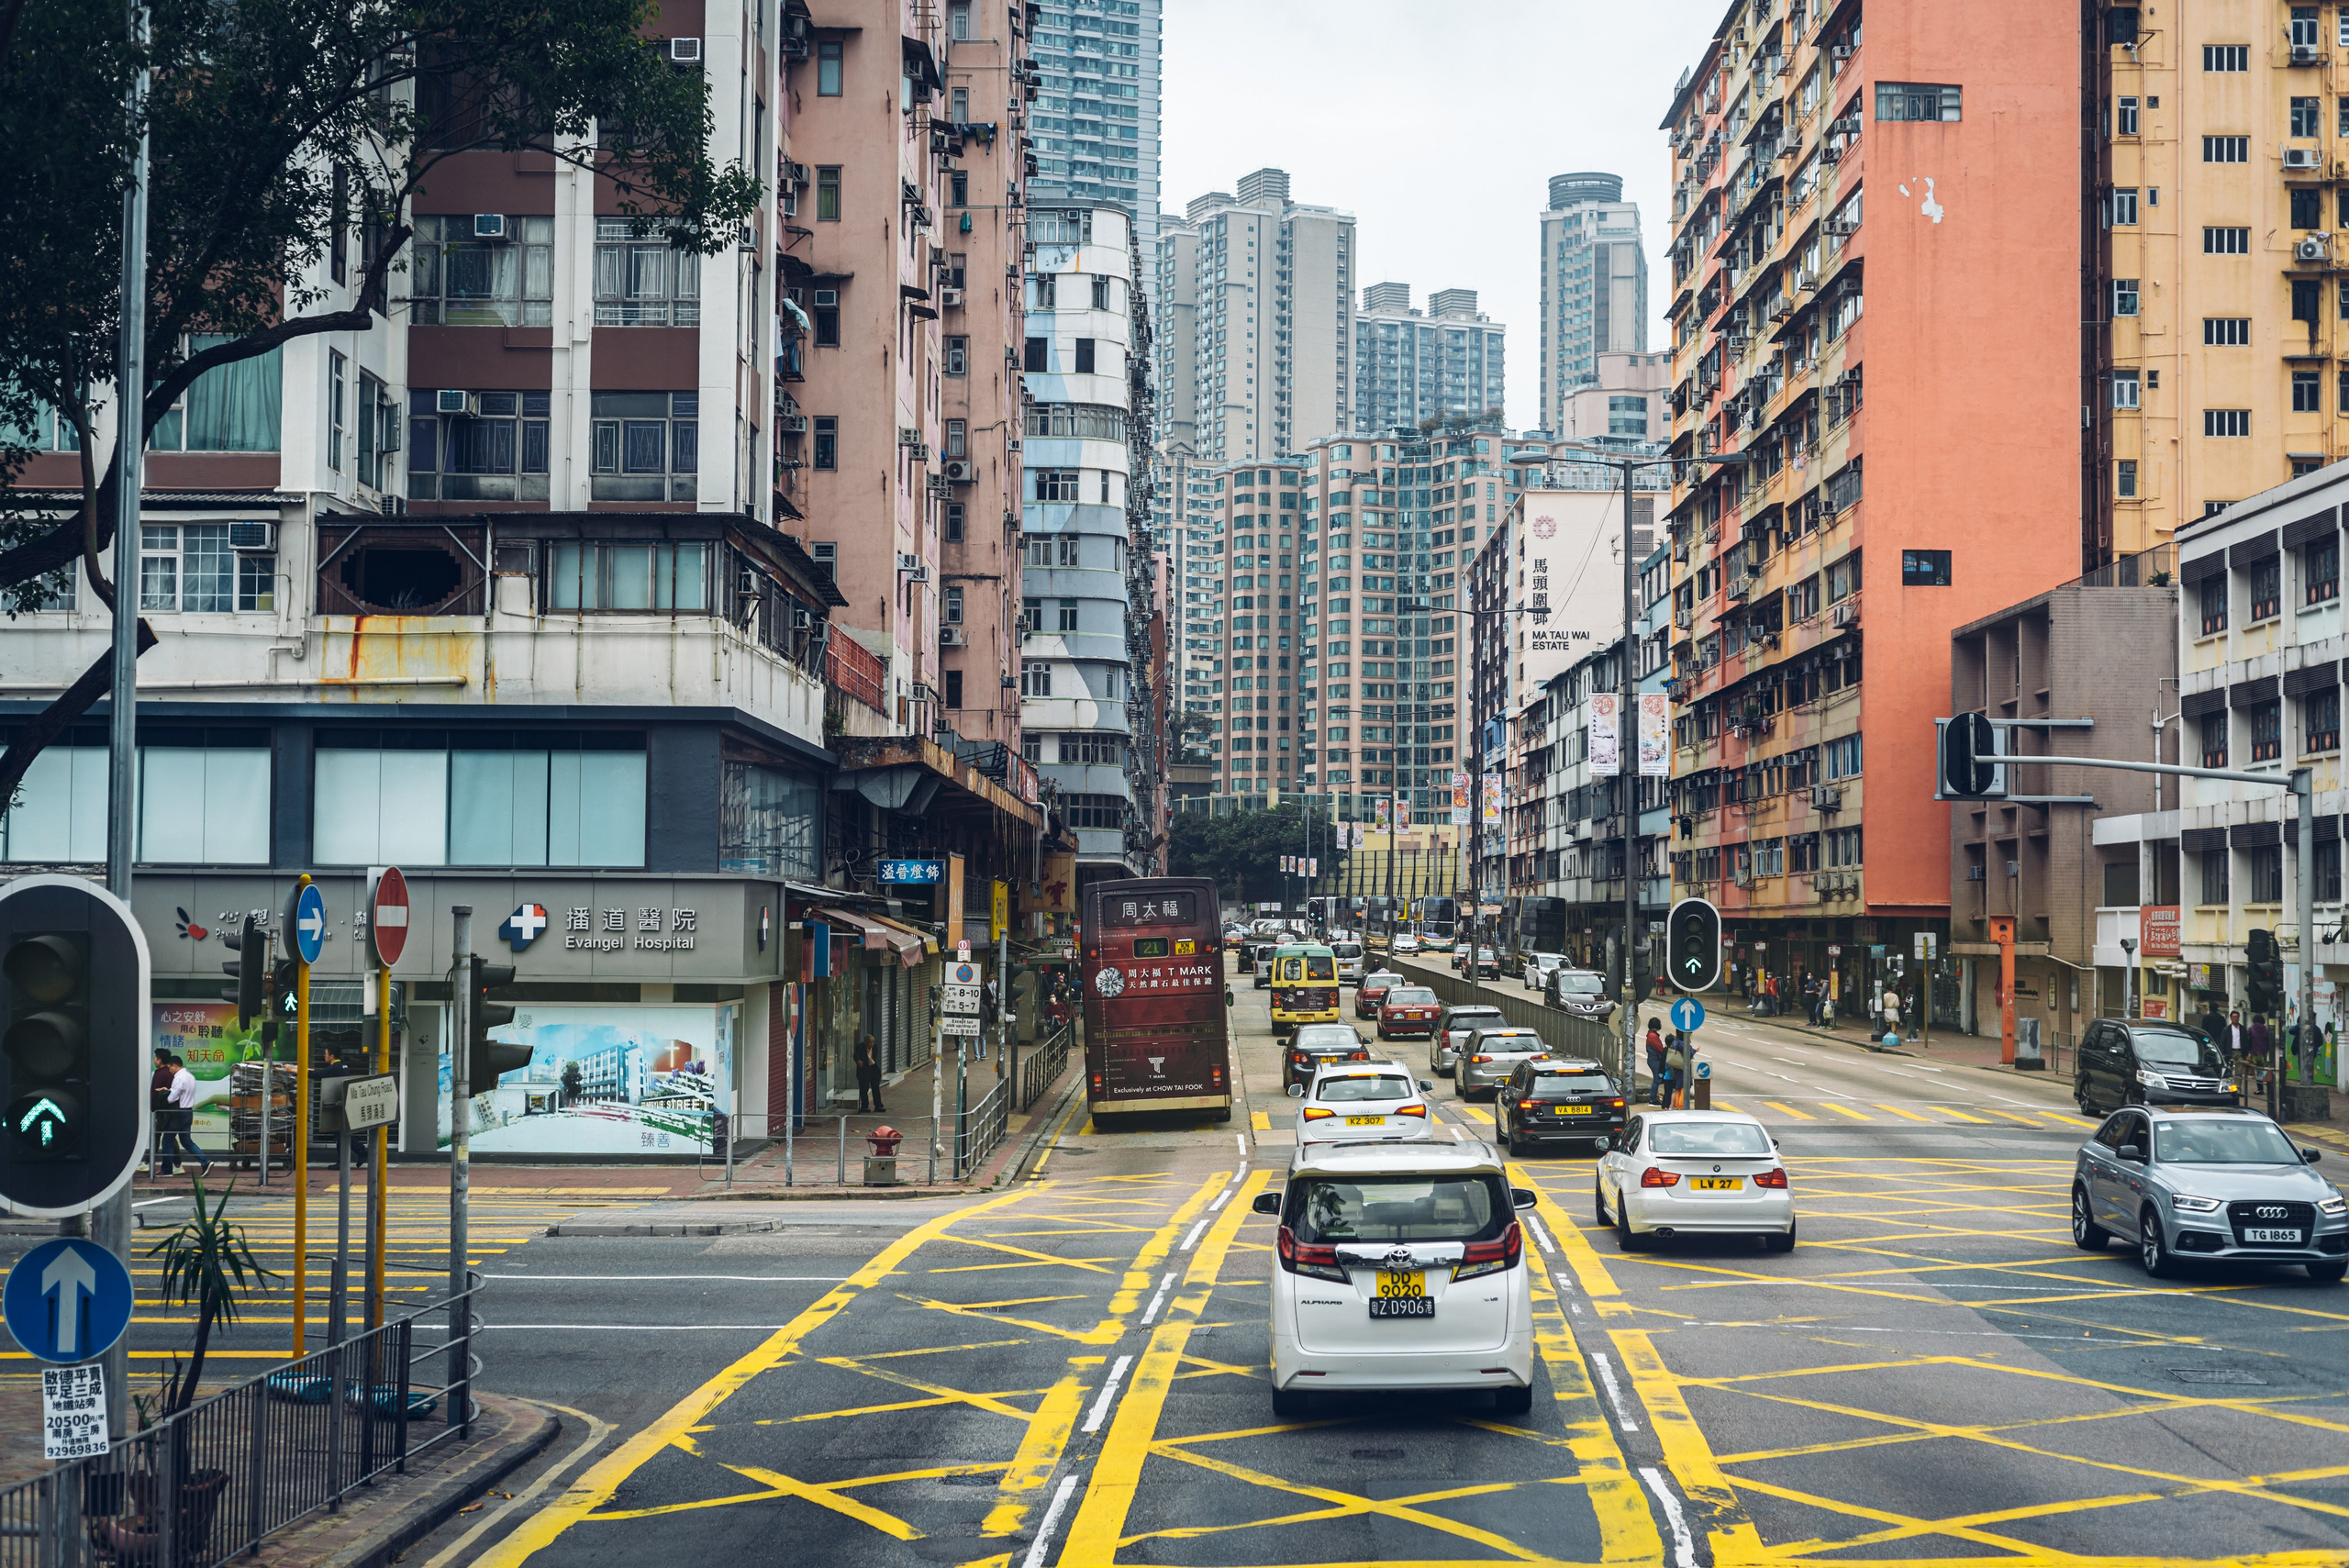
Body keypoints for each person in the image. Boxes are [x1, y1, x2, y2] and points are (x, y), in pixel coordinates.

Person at [156, 1054, 211, 1179]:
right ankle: (205, 1162)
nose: (169, 1070)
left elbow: (171, 1099)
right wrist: (169, 1090)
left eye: (169, 1067)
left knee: (167, 1140)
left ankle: (166, 1170)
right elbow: (180, 1093)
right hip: (188, 1111)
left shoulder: (179, 1078)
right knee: (186, 1141)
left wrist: (165, 1093)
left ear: (175, 1065)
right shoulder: (190, 1077)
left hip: (178, 1113)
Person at [147, 1047, 174, 1174]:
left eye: (155, 1058)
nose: (154, 1060)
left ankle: (148, 1162)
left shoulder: (160, 1074)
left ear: (159, 1060)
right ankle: (178, 1164)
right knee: (168, 1137)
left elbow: (155, 1094)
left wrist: (153, 1109)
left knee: (158, 1136)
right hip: (168, 1110)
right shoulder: (169, 1073)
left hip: (160, 1111)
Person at [853, 1033, 885, 1114]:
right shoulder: (860, 1047)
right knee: (864, 1089)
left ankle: (878, 1105)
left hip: (873, 1068)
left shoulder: (875, 1047)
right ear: (865, 1042)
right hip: (864, 1069)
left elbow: (874, 1057)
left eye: (872, 1042)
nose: (871, 1044)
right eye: (870, 1042)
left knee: (876, 1088)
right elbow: (855, 1055)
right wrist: (858, 1061)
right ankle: (864, 1106)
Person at [1643, 1018, 1667, 1106]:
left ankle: (1654, 1098)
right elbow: (1659, 1049)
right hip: (1655, 1060)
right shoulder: (1653, 1036)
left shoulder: (1651, 1034)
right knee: (1657, 1080)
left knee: (1657, 1079)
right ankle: (1652, 1099)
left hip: (1653, 1060)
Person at [1663, 1036, 1689, 1109]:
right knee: (1675, 1091)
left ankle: (1667, 1106)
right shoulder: (1673, 1053)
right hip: (1671, 1077)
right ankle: (1671, 1105)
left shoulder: (1668, 1052)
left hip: (1667, 1076)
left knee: (1668, 1092)